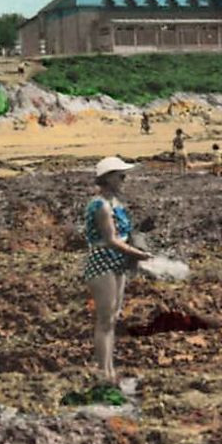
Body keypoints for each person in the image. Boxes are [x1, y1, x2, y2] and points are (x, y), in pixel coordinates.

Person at [83, 157, 153, 384]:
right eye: (120, 176)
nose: (124, 180)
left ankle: (109, 369)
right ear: (108, 178)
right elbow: (111, 239)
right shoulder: (101, 205)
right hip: (103, 260)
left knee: (112, 318)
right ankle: (102, 371)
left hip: (119, 261)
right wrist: (137, 254)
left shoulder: (115, 204)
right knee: (105, 319)